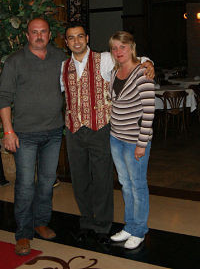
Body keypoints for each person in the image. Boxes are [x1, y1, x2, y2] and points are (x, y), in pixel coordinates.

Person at [61, 23, 154, 245]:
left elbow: (131, 58)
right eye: (71, 38)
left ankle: (103, 225)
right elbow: (64, 95)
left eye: (80, 36)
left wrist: (149, 63)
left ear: (87, 38)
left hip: (101, 128)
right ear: (66, 42)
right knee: (80, 180)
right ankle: (86, 222)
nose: (76, 41)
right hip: (74, 130)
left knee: (103, 179)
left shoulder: (104, 59)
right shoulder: (63, 66)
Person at [0, 18, 65, 256]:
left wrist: (144, 62)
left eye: (43, 32)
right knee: (25, 185)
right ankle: (23, 234)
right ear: (27, 36)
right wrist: (8, 131)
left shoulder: (60, 58)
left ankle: (40, 222)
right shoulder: (15, 61)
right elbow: (4, 98)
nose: (39, 36)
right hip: (24, 134)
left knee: (47, 181)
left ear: (49, 34)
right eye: (34, 32)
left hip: (54, 132)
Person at [107, 31, 155, 250]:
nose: (118, 51)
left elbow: (149, 112)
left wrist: (141, 144)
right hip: (116, 137)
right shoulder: (114, 72)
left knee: (137, 185)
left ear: (132, 47)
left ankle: (139, 230)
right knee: (125, 184)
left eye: (122, 47)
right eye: (114, 48)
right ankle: (130, 225)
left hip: (134, 140)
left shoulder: (142, 73)